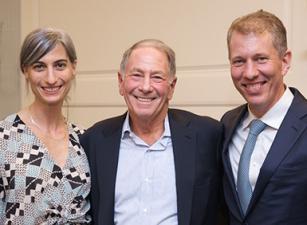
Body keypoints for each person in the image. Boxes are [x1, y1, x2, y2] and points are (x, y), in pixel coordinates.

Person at [81, 39, 224, 225]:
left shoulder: (207, 135)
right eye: (137, 75)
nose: (146, 87)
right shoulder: (95, 141)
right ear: (120, 82)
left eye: (157, 77)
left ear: (171, 87)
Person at [221, 9, 307, 225]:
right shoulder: (227, 123)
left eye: (260, 59)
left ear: (285, 61)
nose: (249, 73)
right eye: (239, 61)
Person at [0, 28, 91, 224]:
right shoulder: (4, 138)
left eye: (60, 65)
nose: (51, 79)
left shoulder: (84, 140)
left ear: (73, 67)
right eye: (39, 67)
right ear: (25, 70)